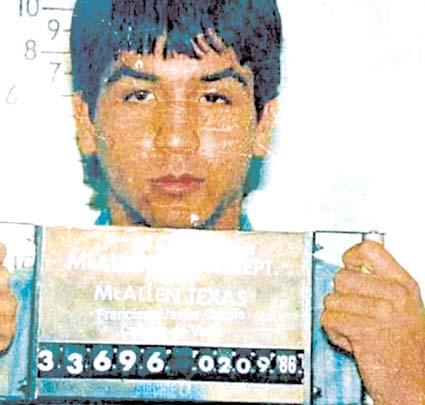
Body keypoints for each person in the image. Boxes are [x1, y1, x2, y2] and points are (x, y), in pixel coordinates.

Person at [0, 0, 424, 403]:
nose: (177, 138)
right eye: (140, 95)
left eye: (214, 98)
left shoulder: (355, 331)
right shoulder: (15, 326)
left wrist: (409, 389)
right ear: (86, 122)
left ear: (262, 124)